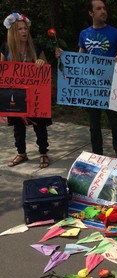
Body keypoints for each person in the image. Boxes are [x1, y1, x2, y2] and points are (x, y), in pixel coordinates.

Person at [1, 12, 51, 168]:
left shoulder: (35, 47)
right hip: (15, 93)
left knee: (39, 124)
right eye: (19, 29)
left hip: (34, 93)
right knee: (17, 125)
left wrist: (41, 62)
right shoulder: (5, 48)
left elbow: (46, 67)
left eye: (25, 28)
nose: (24, 32)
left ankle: (43, 152)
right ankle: (21, 153)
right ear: (13, 32)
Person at [79, 0, 117, 158]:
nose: (103, 11)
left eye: (104, 8)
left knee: (115, 120)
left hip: (111, 84)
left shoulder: (115, 33)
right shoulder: (84, 34)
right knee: (94, 124)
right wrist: (65, 58)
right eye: (98, 9)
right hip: (92, 85)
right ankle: (97, 154)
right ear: (91, 13)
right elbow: (80, 57)